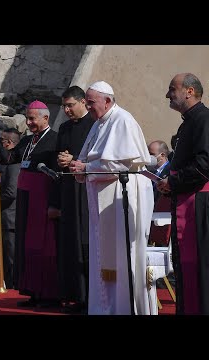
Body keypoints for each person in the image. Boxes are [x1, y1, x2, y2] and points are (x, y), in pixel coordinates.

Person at [69, 81, 153, 315]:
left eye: (91, 102)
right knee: (102, 253)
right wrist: (80, 167)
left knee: (119, 254)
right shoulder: (99, 123)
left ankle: (122, 307)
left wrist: (85, 168)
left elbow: (121, 163)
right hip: (102, 197)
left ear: (107, 100)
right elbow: (93, 158)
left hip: (120, 197)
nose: (87, 106)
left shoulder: (122, 120)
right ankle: (104, 307)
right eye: (86, 101)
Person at [0, 100, 61, 308]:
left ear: (46, 118)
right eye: (27, 118)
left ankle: (49, 295)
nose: (29, 122)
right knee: (28, 248)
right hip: (26, 200)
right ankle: (33, 292)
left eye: (32, 118)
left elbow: (56, 176)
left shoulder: (55, 140)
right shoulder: (27, 141)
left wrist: (54, 204)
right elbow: (8, 159)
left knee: (45, 249)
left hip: (43, 200)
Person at [156, 73, 209, 315]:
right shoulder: (188, 122)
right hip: (186, 200)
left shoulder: (204, 119)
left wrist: (173, 180)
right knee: (186, 268)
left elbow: (205, 164)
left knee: (200, 267)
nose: (168, 94)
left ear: (189, 91)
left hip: (198, 205)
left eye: (172, 89)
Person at [55, 86, 94, 313]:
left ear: (82, 102)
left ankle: (89, 297)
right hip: (69, 189)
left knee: (85, 243)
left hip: (86, 191)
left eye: (70, 105)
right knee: (69, 243)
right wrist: (62, 160)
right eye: (64, 106)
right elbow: (59, 157)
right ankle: (74, 295)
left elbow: (97, 157)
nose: (67, 110)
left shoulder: (93, 125)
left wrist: (75, 159)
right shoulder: (64, 127)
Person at [0, 128, 21, 290]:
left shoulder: (13, 163)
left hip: (10, 219)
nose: (0, 145)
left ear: (8, 143)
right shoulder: (5, 161)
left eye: (1, 141)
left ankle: (14, 288)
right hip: (4, 219)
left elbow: (10, 191)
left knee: (11, 258)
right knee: (6, 258)